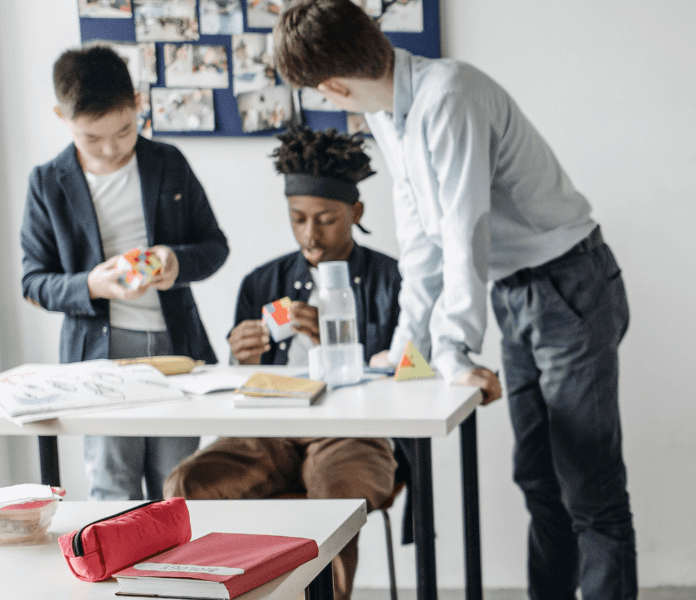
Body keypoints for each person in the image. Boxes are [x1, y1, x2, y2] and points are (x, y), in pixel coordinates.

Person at [273, 2, 636, 597]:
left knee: (589, 490)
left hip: (568, 284)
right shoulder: (391, 115)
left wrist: (454, 348)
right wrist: (405, 347)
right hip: (517, 291)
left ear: (334, 85)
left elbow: (465, 229)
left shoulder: (449, 95)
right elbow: (421, 241)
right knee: (539, 481)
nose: (334, 104)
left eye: (326, 95)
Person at [162, 126, 399, 600]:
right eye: (297, 219)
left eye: (326, 219)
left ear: (355, 212)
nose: (310, 234)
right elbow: (237, 386)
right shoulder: (261, 281)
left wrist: (341, 341)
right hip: (269, 428)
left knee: (333, 491)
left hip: (356, 431)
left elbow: (411, 370)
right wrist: (240, 355)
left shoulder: (393, 279)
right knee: (187, 481)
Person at [20, 46, 228, 501]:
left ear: (137, 103)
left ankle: (176, 573)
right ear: (62, 115)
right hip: (99, 357)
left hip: (176, 348)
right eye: (92, 138)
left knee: (179, 486)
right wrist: (90, 285)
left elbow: (215, 247)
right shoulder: (46, 182)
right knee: (112, 486)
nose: (112, 148)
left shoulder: (168, 162)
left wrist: (175, 263)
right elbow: (32, 281)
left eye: (125, 131)